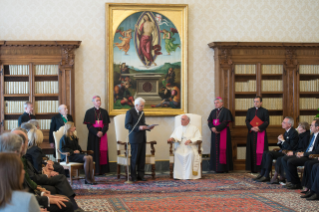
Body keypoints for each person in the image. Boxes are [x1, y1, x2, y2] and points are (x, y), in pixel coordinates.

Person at [10, 129, 83, 211]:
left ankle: (74, 206)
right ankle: (75, 207)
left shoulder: (23, 156)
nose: (28, 143)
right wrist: (45, 175)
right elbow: (29, 180)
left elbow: (36, 166)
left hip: (32, 192)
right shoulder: (13, 163)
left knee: (59, 188)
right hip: (30, 195)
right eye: (27, 141)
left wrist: (46, 164)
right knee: (61, 179)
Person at [254, 117, 299, 182]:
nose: (282, 123)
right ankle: (262, 173)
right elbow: (283, 147)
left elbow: (291, 148)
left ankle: (266, 175)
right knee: (265, 152)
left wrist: (283, 140)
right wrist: (279, 142)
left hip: (288, 153)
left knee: (269, 154)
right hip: (283, 151)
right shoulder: (286, 132)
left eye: (284, 122)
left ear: (289, 124)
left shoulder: (293, 132)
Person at [282, 119, 319, 189]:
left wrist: (302, 154)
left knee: (290, 161)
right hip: (306, 154)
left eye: (312, 125)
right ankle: (293, 182)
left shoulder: (309, 136)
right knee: (285, 159)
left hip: (310, 156)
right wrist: (300, 153)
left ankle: (297, 183)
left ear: (317, 127)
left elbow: (316, 150)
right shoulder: (312, 135)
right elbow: (307, 148)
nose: (310, 127)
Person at [125, 97, 155, 182]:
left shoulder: (142, 113)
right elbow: (127, 125)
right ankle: (133, 176)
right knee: (135, 158)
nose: (143, 107)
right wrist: (138, 128)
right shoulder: (130, 112)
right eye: (141, 106)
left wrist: (148, 127)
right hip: (134, 138)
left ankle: (141, 175)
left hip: (142, 138)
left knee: (142, 158)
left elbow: (142, 124)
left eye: (143, 106)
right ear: (136, 105)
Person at [168, 115, 202, 179]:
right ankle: (179, 176)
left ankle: (189, 175)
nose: (181, 121)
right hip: (180, 146)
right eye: (181, 119)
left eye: (183, 119)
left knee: (191, 154)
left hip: (190, 146)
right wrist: (171, 139)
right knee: (177, 154)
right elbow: (173, 136)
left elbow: (199, 138)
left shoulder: (194, 128)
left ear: (188, 121)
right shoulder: (178, 128)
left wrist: (191, 140)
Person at [83, 95, 110, 175]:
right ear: (93, 102)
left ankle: (102, 170)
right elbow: (89, 125)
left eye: (99, 100)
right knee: (93, 151)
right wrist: (96, 132)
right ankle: (93, 170)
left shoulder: (104, 112)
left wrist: (102, 132)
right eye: (97, 100)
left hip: (102, 135)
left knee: (102, 152)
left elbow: (106, 125)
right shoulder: (89, 112)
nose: (99, 102)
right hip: (93, 135)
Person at [207, 97, 234, 173]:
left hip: (223, 132)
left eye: (217, 102)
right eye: (215, 103)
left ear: (222, 103)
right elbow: (209, 122)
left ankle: (224, 168)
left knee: (224, 149)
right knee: (215, 150)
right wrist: (212, 128)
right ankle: (216, 168)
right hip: (214, 134)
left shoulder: (226, 111)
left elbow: (226, 122)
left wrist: (217, 128)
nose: (216, 104)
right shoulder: (213, 112)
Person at [245, 96, 269, 173]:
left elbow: (267, 122)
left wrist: (258, 128)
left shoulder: (265, 111)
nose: (255, 103)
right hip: (252, 134)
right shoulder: (250, 110)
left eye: (257, 101)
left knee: (261, 151)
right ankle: (252, 168)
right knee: (251, 150)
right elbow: (247, 121)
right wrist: (251, 128)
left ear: (261, 102)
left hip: (260, 133)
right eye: (254, 101)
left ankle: (260, 168)